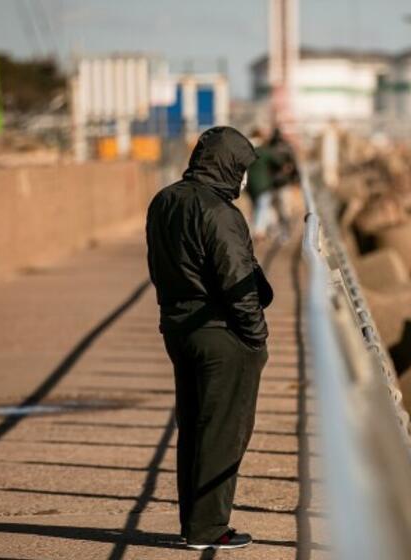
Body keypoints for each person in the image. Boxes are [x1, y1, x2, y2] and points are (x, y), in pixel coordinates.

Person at [145, 126, 273, 550]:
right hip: (220, 335)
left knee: (196, 428)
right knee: (223, 432)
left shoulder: (164, 200)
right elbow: (236, 279)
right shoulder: (218, 212)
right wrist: (256, 337)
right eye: (241, 170)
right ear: (229, 166)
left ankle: (194, 523)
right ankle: (208, 529)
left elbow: (159, 267)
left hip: (178, 329)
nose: (242, 180)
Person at [245, 128, 282, 241]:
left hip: (249, 185)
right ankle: (259, 231)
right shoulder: (264, 151)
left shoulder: (245, 151)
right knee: (263, 206)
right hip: (264, 185)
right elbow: (278, 162)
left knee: (256, 207)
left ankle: (256, 229)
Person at [268, 128, 299, 239]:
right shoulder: (287, 149)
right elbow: (294, 166)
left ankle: (274, 232)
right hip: (284, 183)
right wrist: (295, 179)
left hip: (270, 183)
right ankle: (285, 232)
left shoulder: (268, 149)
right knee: (284, 209)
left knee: (273, 209)